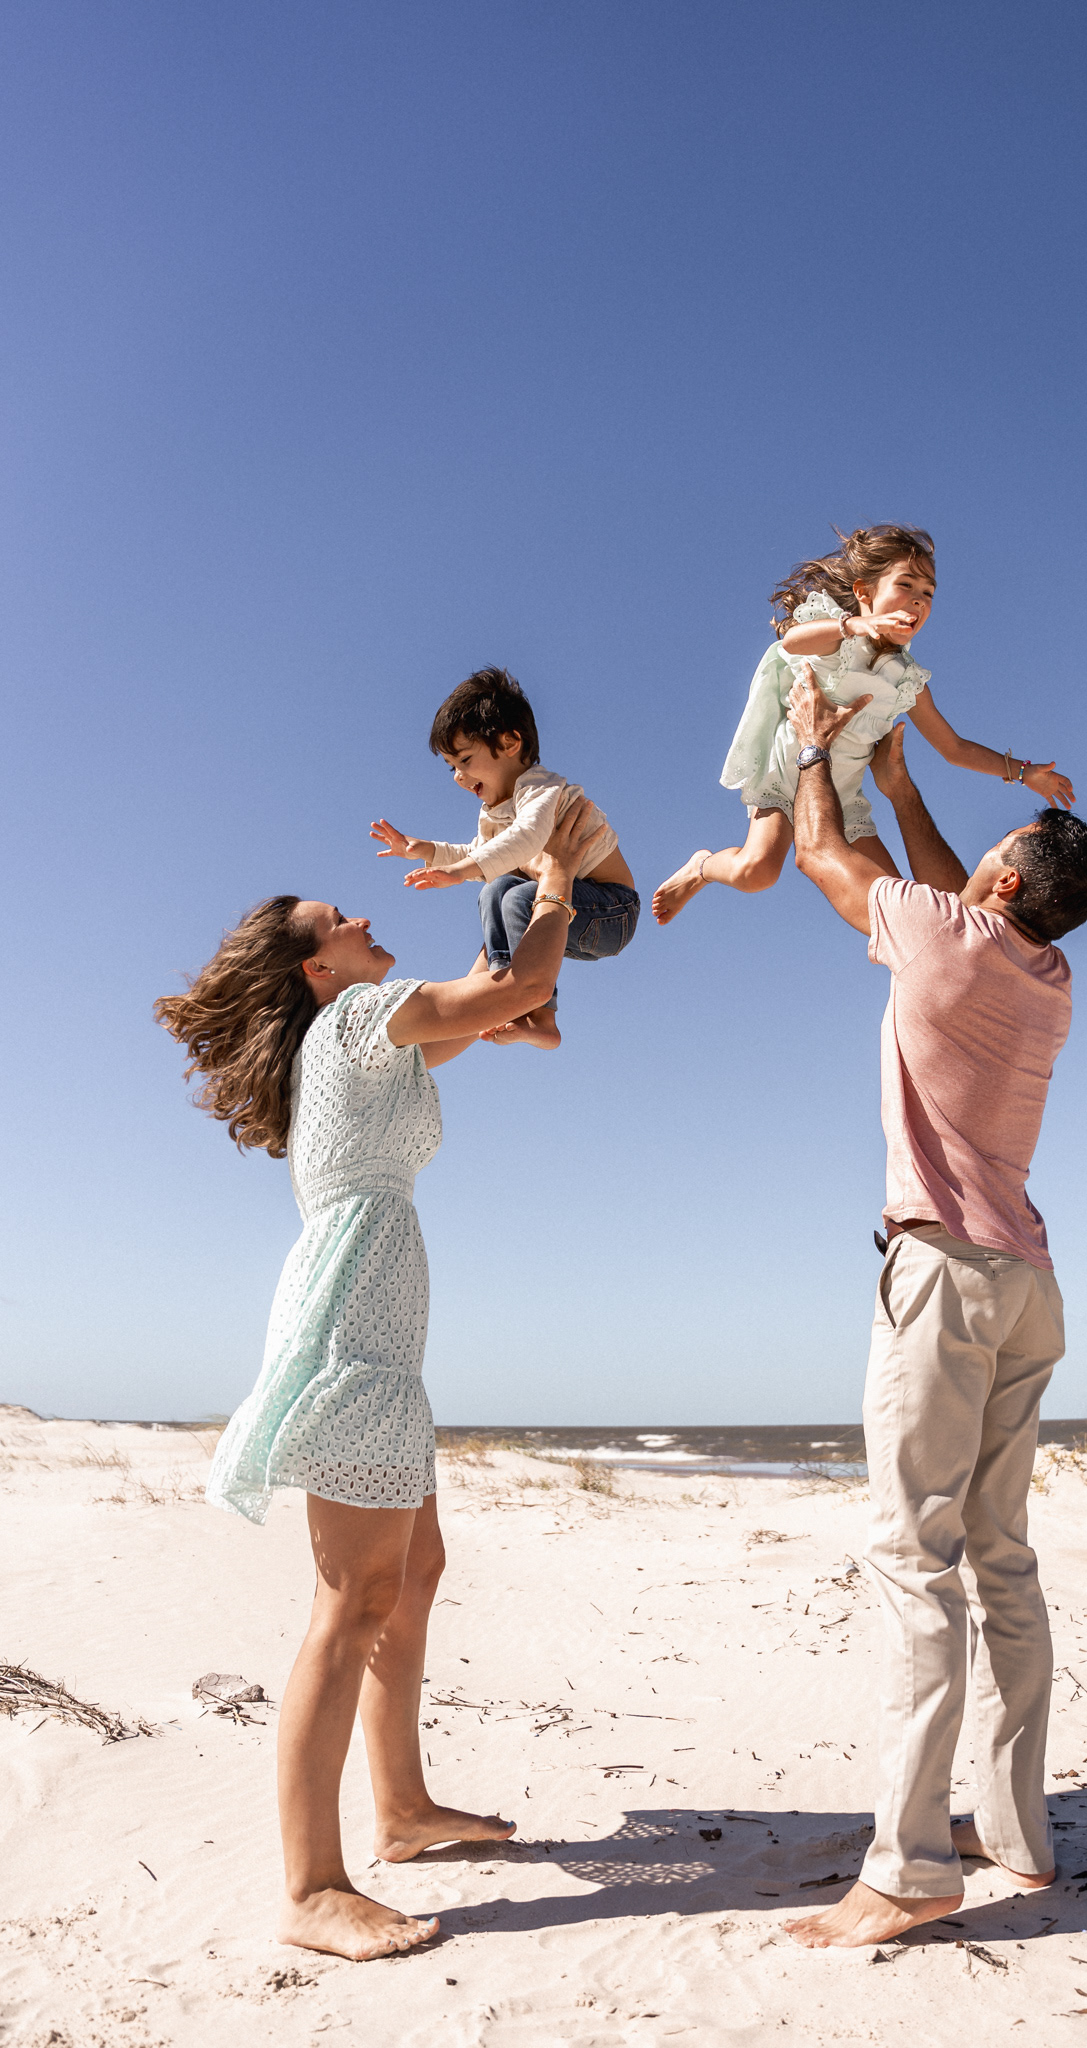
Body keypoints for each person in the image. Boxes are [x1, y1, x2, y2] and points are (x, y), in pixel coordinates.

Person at [154, 798, 608, 1963]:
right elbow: (506, 996)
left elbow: (500, 1006)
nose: (363, 916)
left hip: (379, 1319)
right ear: (320, 966)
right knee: (349, 1601)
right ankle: (310, 1886)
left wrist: (511, 968)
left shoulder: (362, 1030)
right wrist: (553, 883)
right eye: (340, 918)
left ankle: (402, 1810)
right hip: (356, 1322)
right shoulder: (357, 1017)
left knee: (413, 1574)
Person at [780, 674, 1087, 1950]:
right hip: (1029, 1283)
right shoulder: (1049, 973)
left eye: (990, 856)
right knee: (1002, 1558)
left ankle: (911, 1865)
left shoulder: (948, 932)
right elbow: (953, 897)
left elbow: (819, 848)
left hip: (944, 1279)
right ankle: (1019, 1835)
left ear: (1009, 882)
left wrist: (817, 748)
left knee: (915, 1564)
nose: (969, 864)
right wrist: (913, 786)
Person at [652, 524, 1074, 925]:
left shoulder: (907, 679)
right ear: (864, 592)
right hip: (785, 779)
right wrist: (852, 624)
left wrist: (1023, 772)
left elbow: (953, 747)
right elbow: (791, 642)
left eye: (928, 592)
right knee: (757, 872)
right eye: (905, 585)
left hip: (843, 797)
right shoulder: (838, 637)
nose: (918, 600)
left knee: (892, 905)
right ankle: (702, 867)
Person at [370, 667, 639, 1050]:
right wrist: (428, 851)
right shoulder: (495, 810)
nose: (458, 776)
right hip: (569, 911)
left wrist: (460, 871)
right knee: (496, 889)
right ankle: (501, 993)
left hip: (612, 909)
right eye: (452, 766)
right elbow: (482, 853)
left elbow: (525, 840)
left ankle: (543, 1017)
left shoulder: (540, 789)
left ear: (511, 742)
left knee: (516, 896)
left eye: (464, 759)